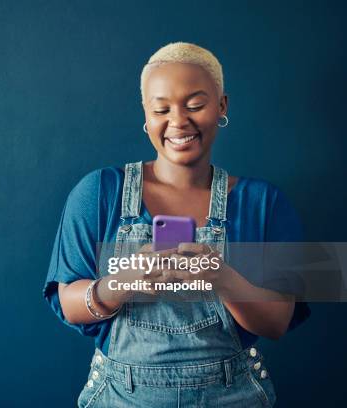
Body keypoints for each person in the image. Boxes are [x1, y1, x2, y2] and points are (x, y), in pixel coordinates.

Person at [43, 42, 310, 407]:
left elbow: (277, 322)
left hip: (234, 397)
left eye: (195, 105)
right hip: (121, 397)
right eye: (161, 109)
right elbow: (66, 302)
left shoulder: (263, 203)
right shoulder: (99, 192)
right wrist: (124, 282)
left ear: (222, 107)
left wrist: (221, 277)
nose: (178, 121)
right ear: (146, 116)